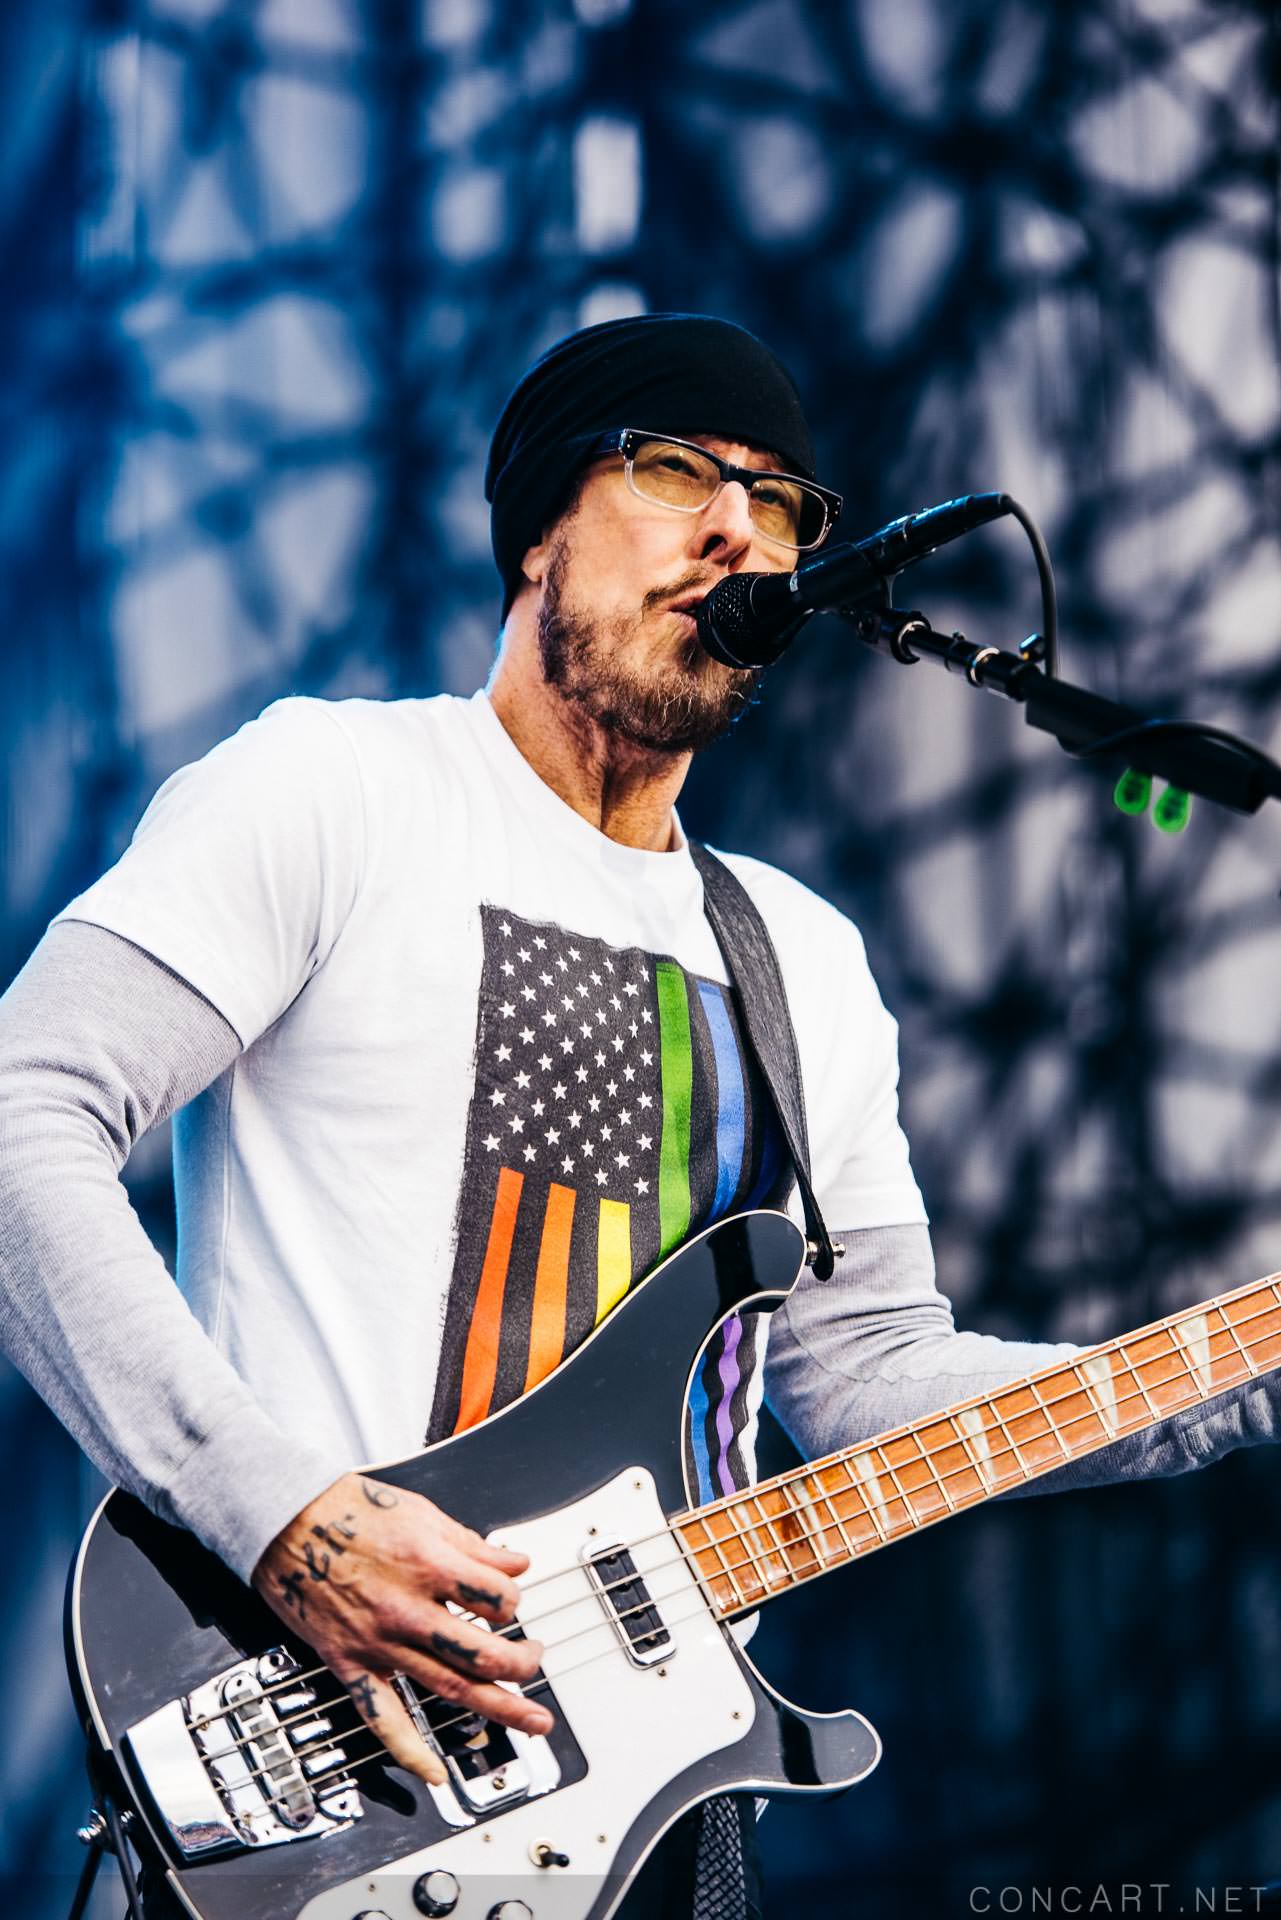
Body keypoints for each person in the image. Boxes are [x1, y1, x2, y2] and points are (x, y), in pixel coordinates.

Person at [0, 312, 1276, 1919]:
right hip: (328, 1750)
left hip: (662, 1812)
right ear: (538, 525)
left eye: (779, 499)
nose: (738, 526)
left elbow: (870, 1378)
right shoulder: (332, 791)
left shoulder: (799, 955)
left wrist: (1241, 1369)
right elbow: (20, 1115)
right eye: (675, 470)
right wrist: (284, 1522)